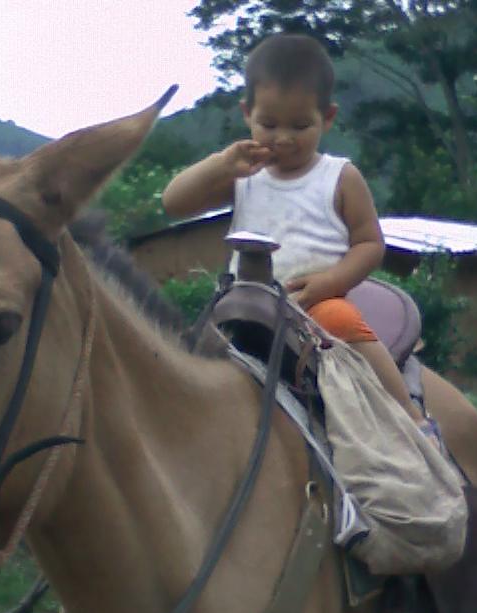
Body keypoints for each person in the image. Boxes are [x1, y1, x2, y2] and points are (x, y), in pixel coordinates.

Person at [161, 32, 430, 429]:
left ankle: (409, 416)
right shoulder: (243, 175)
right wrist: (219, 164)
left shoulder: (339, 176)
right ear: (246, 115)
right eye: (268, 124)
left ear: (328, 118)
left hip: (314, 303)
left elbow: (370, 243)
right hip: (244, 300)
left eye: (301, 125)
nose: (284, 138)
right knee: (189, 349)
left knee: (341, 320)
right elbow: (173, 203)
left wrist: (330, 282)